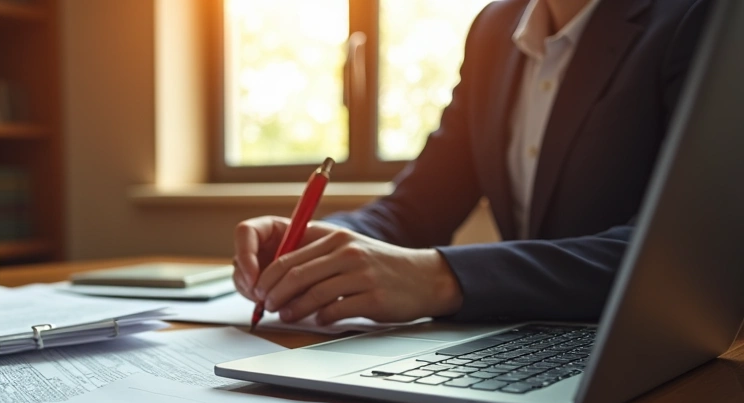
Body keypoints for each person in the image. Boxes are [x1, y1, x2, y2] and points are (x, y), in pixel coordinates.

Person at [233, 0, 709, 326]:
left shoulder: (696, 20)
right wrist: (313, 250)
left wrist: (442, 277)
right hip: (522, 344)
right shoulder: (494, 29)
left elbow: (674, 256)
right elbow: (415, 210)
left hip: (635, 353)